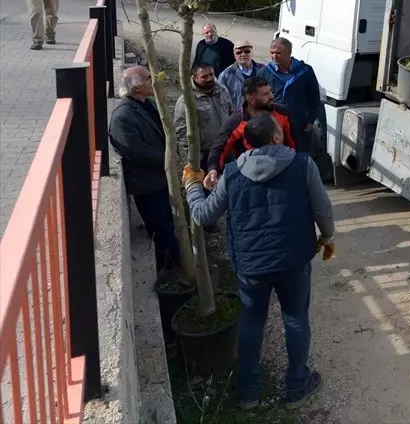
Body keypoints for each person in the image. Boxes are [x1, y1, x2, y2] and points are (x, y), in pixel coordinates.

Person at [182, 113, 334, 409]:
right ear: (276, 138)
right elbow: (323, 211)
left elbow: (203, 215)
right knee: (296, 320)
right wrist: (327, 238)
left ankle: (249, 393)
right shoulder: (303, 165)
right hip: (293, 261)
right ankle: (297, 387)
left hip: (251, 265)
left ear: (248, 144)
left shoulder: (232, 174)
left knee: (252, 323)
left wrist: (192, 186)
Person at [109, 66, 181, 271]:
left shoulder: (145, 104)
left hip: (159, 178)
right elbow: (137, 151)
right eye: (149, 78)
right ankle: (169, 267)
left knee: (167, 221)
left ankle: (173, 261)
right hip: (147, 184)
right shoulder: (123, 117)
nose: (153, 81)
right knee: (161, 226)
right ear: (138, 87)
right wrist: (167, 160)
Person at [207, 76, 295, 187]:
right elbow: (219, 148)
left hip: (282, 171)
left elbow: (294, 142)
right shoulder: (235, 122)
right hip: (251, 177)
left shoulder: (282, 113)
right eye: (265, 94)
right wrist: (213, 170)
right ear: (251, 99)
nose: (272, 96)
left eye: (270, 92)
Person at [265, 38, 324, 155]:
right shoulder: (265, 72)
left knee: (301, 157)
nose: (274, 56)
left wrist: (310, 122)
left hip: (300, 125)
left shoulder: (305, 71)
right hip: (276, 126)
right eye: (272, 53)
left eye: (278, 53)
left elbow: (314, 98)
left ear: (289, 53)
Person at [173, 63, 235, 165]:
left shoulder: (222, 90)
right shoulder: (186, 101)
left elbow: (231, 114)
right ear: (195, 78)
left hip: (227, 148)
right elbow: (181, 132)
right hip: (205, 154)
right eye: (204, 76)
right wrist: (194, 157)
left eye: (211, 74)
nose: (209, 78)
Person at [217, 40, 268, 109]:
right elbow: (221, 100)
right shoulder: (226, 75)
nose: (243, 54)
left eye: (247, 51)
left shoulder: (263, 69)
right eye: (239, 52)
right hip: (239, 115)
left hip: (261, 112)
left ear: (252, 52)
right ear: (234, 55)